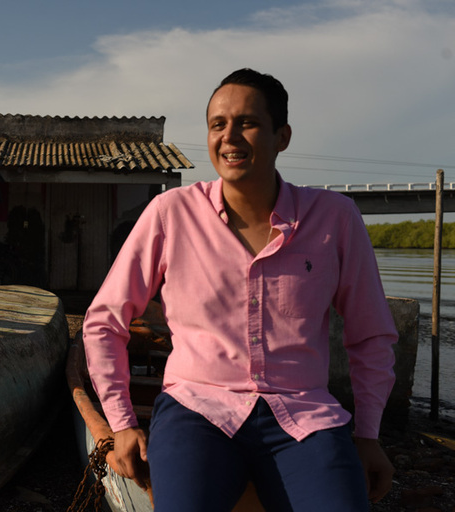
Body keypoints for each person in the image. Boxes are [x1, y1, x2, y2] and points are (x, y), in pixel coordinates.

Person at [83, 68, 397, 510]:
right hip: (197, 409)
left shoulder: (335, 219)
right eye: (218, 124)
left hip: (303, 416)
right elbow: (104, 321)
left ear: (281, 136)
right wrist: (121, 422)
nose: (229, 136)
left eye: (247, 122)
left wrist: (367, 435)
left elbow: (371, 335)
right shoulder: (171, 213)